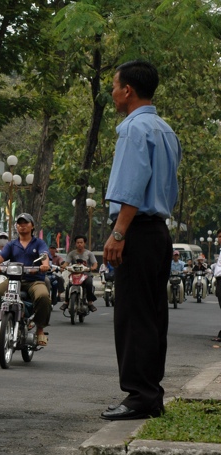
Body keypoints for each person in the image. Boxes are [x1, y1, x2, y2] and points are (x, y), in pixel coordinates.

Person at [102, 60, 181, 421]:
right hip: (158, 232)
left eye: (115, 85)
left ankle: (139, 396)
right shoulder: (165, 129)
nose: (113, 92)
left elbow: (132, 188)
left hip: (137, 228)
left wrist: (119, 232)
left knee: (133, 316)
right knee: (152, 314)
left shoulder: (134, 129)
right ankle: (151, 393)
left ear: (128, 90)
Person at [0, 213, 51, 346]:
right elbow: (1, 257)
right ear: (16, 226)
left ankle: (40, 329)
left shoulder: (39, 243)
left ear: (32, 226)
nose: (22, 226)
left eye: (25, 223)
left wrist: (45, 265)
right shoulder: (12, 244)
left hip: (34, 280)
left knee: (43, 296)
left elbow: (44, 255)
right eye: (20, 223)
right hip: (14, 279)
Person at [59, 235, 98, 313]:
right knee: (68, 285)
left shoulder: (89, 253)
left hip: (86, 274)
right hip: (74, 274)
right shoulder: (72, 253)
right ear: (75, 244)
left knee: (89, 283)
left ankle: (90, 302)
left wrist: (93, 267)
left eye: (81, 242)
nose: (79, 244)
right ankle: (66, 302)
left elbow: (95, 263)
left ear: (84, 243)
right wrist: (63, 267)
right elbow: (67, 263)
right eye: (78, 243)